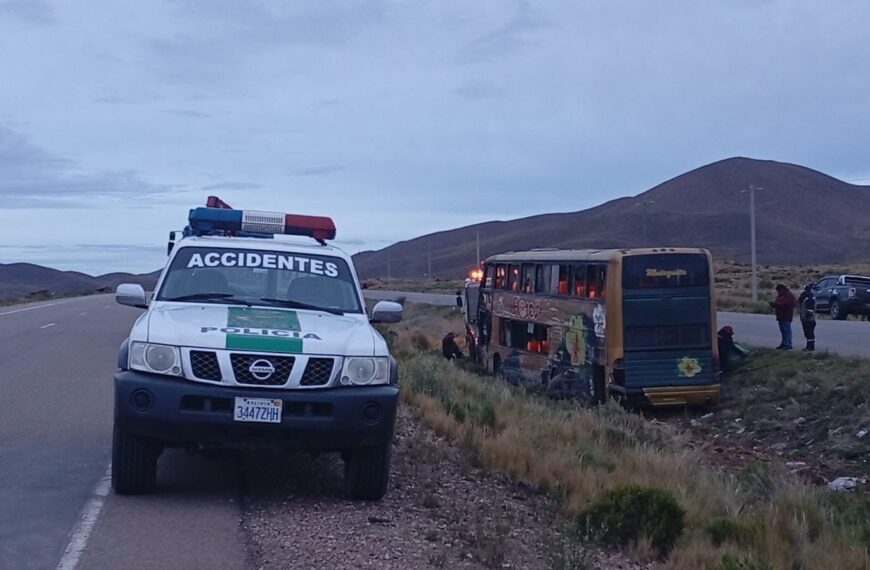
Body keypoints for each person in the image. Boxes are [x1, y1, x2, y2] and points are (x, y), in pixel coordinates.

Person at [770, 284, 796, 350]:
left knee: (786, 330)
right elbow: (778, 302)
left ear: (782, 289)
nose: (778, 292)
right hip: (781, 316)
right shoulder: (781, 295)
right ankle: (784, 343)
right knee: (783, 331)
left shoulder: (789, 295)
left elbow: (786, 305)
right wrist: (774, 304)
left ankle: (788, 344)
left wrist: (776, 304)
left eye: (779, 291)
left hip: (786, 316)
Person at [797, 283, 816, 351]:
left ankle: (810, 347)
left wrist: (807, 316)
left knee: (809, 333)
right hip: (808, 318)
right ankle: (810, 346)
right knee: (809, 333)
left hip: (808, 318)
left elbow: (809, 309)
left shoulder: (808, 297)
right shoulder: (809, 297)